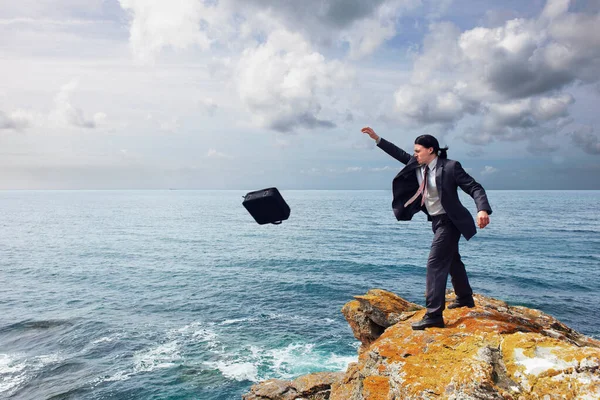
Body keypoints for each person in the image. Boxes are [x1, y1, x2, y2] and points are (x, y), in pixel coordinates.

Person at [361, 127, 492, 330]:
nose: (414, 154)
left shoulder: (450, 167)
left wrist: (482, 209)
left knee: (435, 263)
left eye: (418, 151)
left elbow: (474, 187)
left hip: (451, 221)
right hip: (436, 221)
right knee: (452, 260)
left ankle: (434, 315)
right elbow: (399, 153)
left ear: (431, 150)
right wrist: (377, 139)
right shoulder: (417, 165)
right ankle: (465, 297)